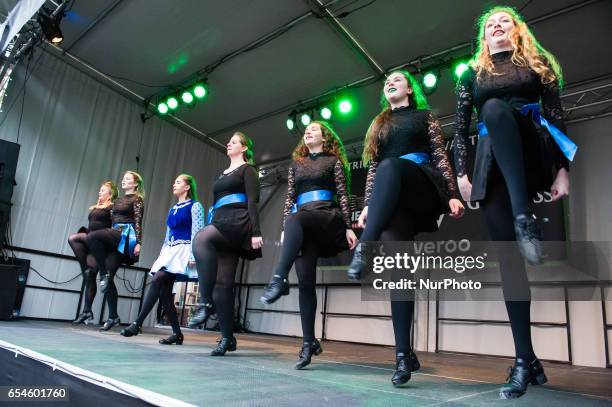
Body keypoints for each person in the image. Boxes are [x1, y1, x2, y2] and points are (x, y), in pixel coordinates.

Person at [452, 6, 575, 399]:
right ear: (483, 38)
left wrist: (562, 171)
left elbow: (556, 117)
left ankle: (525, 217)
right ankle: (526, 360)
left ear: (517, 30)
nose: (496, 26)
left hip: (530, 152)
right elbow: (459, 128)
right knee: (510, 264)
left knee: (494, 108)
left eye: (503, 21)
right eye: (489, 24)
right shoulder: (471, 74)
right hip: (493, 167)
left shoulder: (538, 66)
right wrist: (461, 175)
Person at [347, 70, 464, 386]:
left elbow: (440, 154)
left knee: (391, 166)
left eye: (397, 79)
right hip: (393, 198)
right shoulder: (380, 125)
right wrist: (370, 204)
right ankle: (403, 355)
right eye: (387, 81)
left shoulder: (424, 116)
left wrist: (452, 194)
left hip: (422, 184)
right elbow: (373, 170)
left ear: (410, 90)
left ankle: (365, 247)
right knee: (400, 270)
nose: (390, 82)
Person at [260, 121, 357, 369]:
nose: (308, 131)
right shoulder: (296, 164)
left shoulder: (333, 161)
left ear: (324, 137)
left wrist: (348, 225)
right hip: (301, 223)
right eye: (307, 130)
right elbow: (290, 197)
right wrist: (285, 229)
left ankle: (278, 279)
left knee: (296, 217)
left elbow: (343, 194)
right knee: (305, 283)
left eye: (314, 129)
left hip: (326, 216)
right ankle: (308, 342)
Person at [189, 132, 263, 356]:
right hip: (220, 221)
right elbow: (215, 204)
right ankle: (228, 338)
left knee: (201, 239)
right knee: (224, 285)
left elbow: (253, 201)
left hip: (237, 221)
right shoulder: (220, 175)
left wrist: (256, 232)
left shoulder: (248, 170)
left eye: (234, 141)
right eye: (229, 141)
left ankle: (204, 302)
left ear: (244, 148)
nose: (228, 143)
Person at [120, 174, 204, 345]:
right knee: (165, 294)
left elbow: (198, 231)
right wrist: (162, 255)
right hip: (169, 251)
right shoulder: (173, 208)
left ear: (187, 187)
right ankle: (177, 334)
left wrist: (194, 255)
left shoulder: (195, 206)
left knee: (158, 280)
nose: (174, 184)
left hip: (184, 249)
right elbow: (167, 235)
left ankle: (137, 323)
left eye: (178, 182)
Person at [86, 171, 145, 331]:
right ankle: (113, 316)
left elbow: (138, 221)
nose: (124, 181)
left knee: (91, 238)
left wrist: (139, 243)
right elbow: (110, 219)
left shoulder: (137, 199)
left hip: (124, 235)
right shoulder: (117, 200)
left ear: (135, 184)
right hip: (114, 234)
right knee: (109, 280)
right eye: (124, 179)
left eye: (127, 179)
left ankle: (103, 273)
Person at [70, 181, 118, 325]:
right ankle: (87, 310)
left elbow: (115, 226)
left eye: (103, 190)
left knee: (107, 281)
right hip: (92, 242)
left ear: (110, 195)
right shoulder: (97, 206)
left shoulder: (112, 207)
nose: (100, 192)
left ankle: (113, 315)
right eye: (100, 190)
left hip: (106, 246)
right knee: (90, 276)